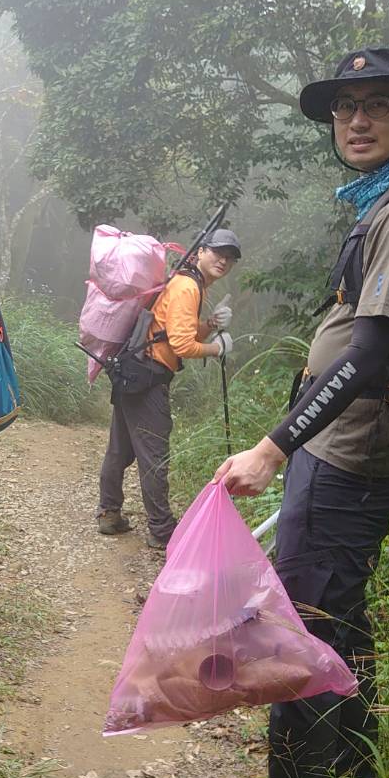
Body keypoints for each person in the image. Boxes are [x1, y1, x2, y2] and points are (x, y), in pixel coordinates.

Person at [192, 47, 389, 778]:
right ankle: (355, 765)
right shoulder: (379, 207)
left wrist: (275, 445)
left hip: (351, 456)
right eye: (345, 106)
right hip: (338, 452)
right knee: (336, 615)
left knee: (296, 640)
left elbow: (370, 354)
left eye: (378, 104)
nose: (355, 119)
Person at [96, 230, 238, 549]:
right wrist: (218, 349)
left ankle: (109, 512)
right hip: (148, 378)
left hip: (132, 370)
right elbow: (182, 344)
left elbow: (170, 333)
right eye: (218, 252)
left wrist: (210, 326)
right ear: (200, 251)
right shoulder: (188, 286)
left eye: (230, 257)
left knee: (120, 448)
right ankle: (162, 530)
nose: (224, 260)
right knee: (154, 456)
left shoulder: (185, 281)